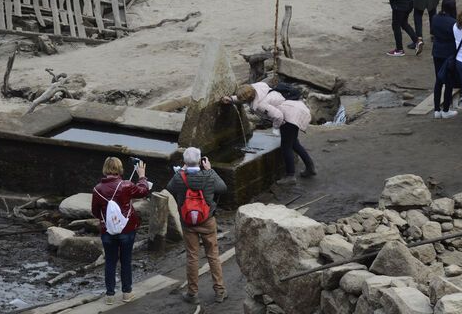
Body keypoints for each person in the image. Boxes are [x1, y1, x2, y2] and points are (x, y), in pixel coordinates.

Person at [166, 147, 228, 305]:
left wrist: (181, 171)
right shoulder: (208, 175)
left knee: (192, 257)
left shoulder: (179, 177)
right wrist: (211, 170)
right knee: (213, 255)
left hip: (188, 223)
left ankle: (192, 293)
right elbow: (223, 188)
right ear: (200, 161)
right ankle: (220, 291)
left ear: (185, 162)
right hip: (207, 220)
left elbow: (170, 188)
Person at [223, 82, 314, 183]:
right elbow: (244, 96)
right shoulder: (258, 87)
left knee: (286, 147)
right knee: (294, 143)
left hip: (289, 118)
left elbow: (278, 116)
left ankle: (290, 176)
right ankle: (310, 167)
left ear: (247, 99)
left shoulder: (260, 105)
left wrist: (275, 127)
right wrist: (231, 99)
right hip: (296, 108)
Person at [91, 157, 151, 305]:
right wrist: (142, 176)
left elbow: (95, 212)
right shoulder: (126, 185)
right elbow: (143, 191)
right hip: (127, 229)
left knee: (110, 262)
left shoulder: (97, 189)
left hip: (107, 231)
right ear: (120, 169)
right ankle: (126, 293)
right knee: (126, 261)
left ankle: (110, 296)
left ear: (105, 169)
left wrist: (108, 221)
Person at [430, 0, 459, 119]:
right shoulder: (453, 22)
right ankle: (446, 109)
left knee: (438, 80)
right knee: (449, 82)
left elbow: (432, 32)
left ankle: (437, 110)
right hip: (448, 55)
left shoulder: (435, 18)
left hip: (436, 52)